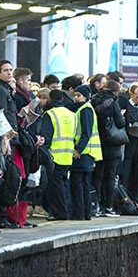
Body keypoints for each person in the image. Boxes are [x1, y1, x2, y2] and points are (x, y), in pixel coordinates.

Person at [91, 81, 125, 217]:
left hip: (97, 143)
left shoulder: (94, 100)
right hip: (112, 144)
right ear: (115, 92)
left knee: (97, 175)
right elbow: (120, 122)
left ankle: (96, 205)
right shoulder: (113, 102)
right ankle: (108, 206)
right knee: (110, 176)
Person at [41, 89, 77, 220]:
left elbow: (46, 136)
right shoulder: (71, 114)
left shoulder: (50, 114)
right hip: (68, 153)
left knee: (55, 187)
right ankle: (65, 210)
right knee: (63, 184)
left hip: (54, 155)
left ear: (51, 99)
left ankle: (59, 213)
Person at [69, 85, 101, 220]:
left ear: (86, 96)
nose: (76, 98)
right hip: (88, 153)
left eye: (79, 95)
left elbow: (85, 133)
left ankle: (80, 213)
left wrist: (78, 149)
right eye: (75, 95)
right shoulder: (86, 109)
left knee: (78, 184)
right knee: (84, 184)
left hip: (84, 153)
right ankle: (85, 213)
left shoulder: (85, 110)